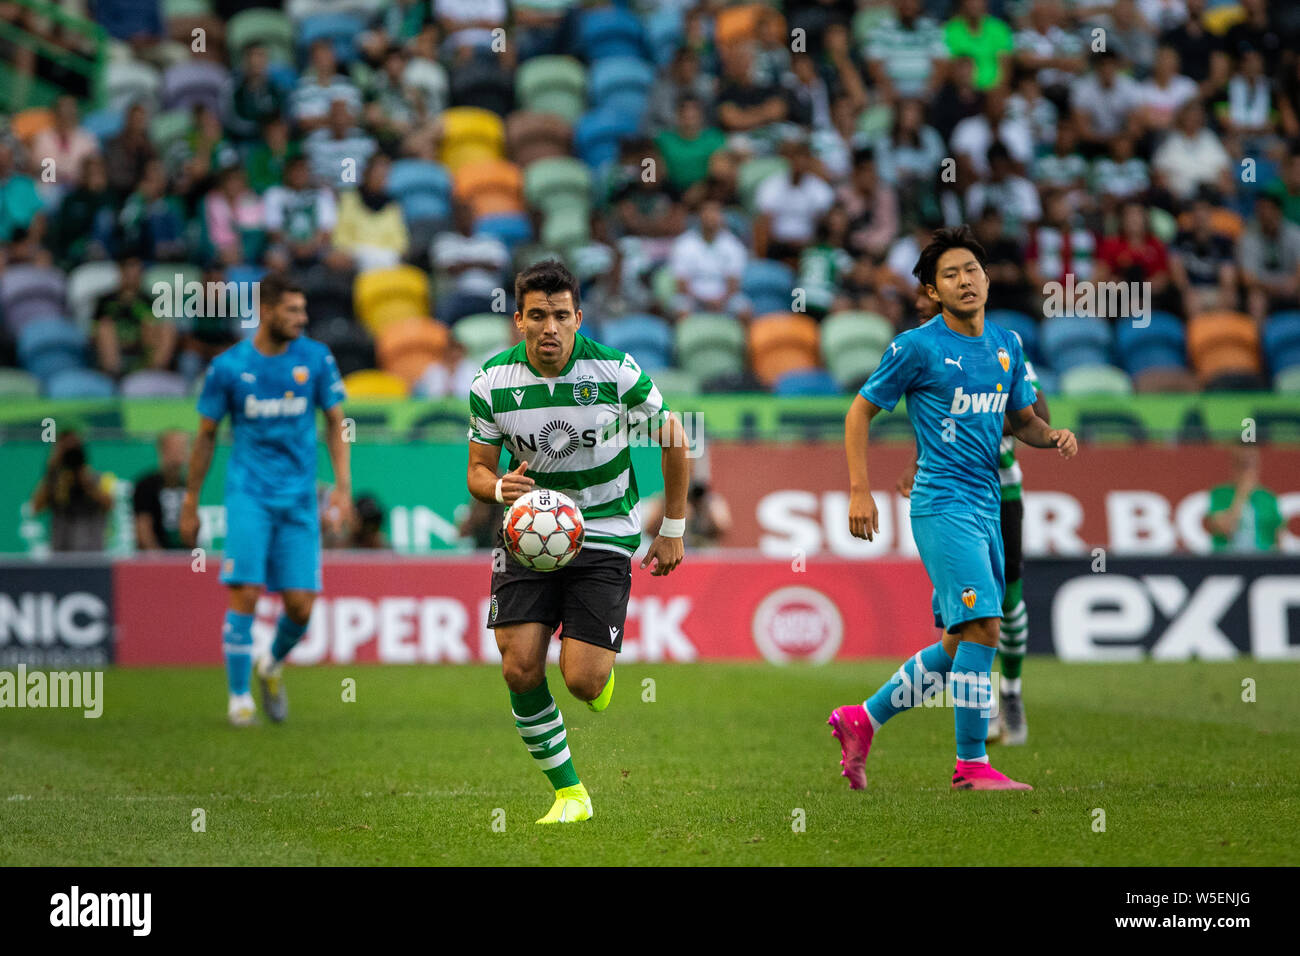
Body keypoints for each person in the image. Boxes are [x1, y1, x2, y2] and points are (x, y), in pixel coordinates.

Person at [832, 226, 1078, 792]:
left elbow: (1022, 422)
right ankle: (971, 765)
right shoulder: (916, 347)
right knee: (986, 626)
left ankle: (861, 719)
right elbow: (859, 413)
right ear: (933, 292)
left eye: (971, 270)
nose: (965, 280)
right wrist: (859, 489)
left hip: (988, 505)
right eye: (950, 275)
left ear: (987, 279)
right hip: (941, 505)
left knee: (956, 643)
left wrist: (1052, 435)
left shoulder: (1007, 345)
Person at [466, 259, 690, 824]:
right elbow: (475, 470)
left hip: (605, 532)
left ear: (578, 317)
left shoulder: (615, 371)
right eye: (537, 315)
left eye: (561, 316)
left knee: (583, 681)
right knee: (519, 668)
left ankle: (596, 676)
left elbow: (676, 438)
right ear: (518, 320)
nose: (550, 328)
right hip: (527, 535)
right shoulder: (491, 382)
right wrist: (498, 487)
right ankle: (570, 793)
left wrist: (672, 529)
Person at [180, 276, 353, 727]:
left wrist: (342, 488)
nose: (302, 318)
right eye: (293, 311)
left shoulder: (316, 359)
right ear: (267, 311)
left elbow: (337, 423)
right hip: (248, 496)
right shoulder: (228, 367)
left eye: (303, 310)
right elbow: (204, 436)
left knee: (300, 607)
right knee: (247, 593)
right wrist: (191, 499)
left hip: (298, 500)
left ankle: (270, 665)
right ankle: (239, 699)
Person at [897, 337, 1050, 746]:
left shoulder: (1003, 348)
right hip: (949, 497)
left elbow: (1039, 415)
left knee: (1007, 601)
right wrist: (918, 462)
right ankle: (979, 716)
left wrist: (973, 417)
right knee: (965, 616)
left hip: (1001, 492)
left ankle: (1010, 695)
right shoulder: (925, 350)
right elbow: (931, 420)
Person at [30, 431, 114, 553]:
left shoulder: (96, 478)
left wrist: (86, 482)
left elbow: (109, 505)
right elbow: (35, 507)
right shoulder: (54, 481)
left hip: (92, 553)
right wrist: (52, 471)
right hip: (60, 553)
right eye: (66, 449)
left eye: (74, 448)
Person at [1203, 442, 1283, 552]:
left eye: (1252, 464)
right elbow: (1225, 528)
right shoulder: (1220, 494)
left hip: (1263, 562)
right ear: (1234, 466)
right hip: (1228, 562)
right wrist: (1242, 493)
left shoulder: (1268, 498)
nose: (1248, 470)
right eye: (1243, 465)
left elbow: (1278, 539)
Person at [133, 430, 190, 551]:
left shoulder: (188, 487)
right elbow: (142, 527)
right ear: (162, 450)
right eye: (176, 447)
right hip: (154, 562)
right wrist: (159, 561)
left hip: (184, 560)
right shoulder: (145, 485)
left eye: (184, 447)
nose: (181, 452)